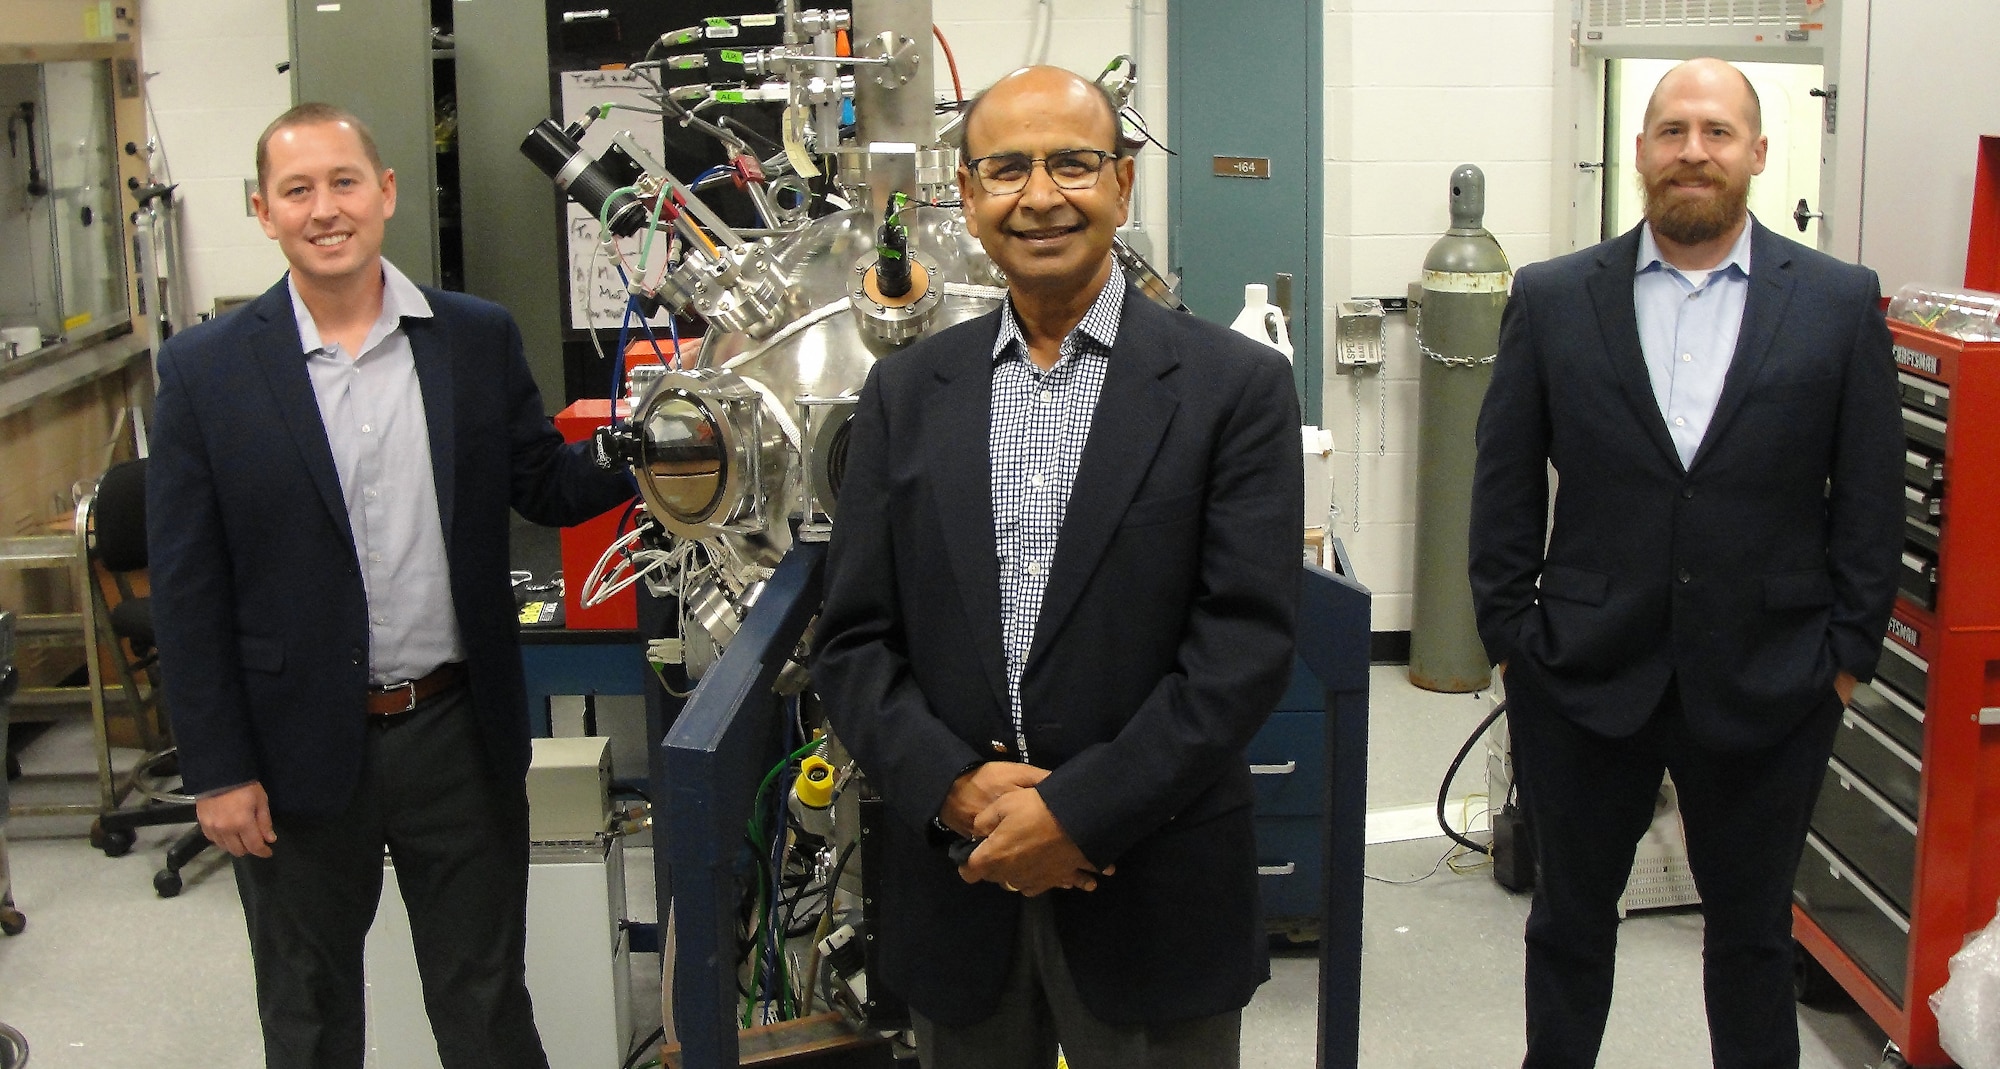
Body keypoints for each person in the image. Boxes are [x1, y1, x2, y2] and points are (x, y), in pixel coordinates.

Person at [812, 66, 1303, 1068]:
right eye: (1006, 169)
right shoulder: (906, 395)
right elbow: (854, 641)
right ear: (966, 195)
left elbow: (1241, 648)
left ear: (1121, 185)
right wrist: (954, 788)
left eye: (1072, 163)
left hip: (1153, 881)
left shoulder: (1232, 389)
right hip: (962, 881)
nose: (1040, 196)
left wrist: (1075, 813)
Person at [146, 102, 633, 1069]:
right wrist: (216, 767)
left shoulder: (472, 338)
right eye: (298, 190)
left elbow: (543, 481)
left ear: (387, 193)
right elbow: (187, 589)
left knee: (485, 1002)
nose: (325, 208)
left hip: (454, 732)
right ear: (262, 210)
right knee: (309, 1012)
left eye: (343, 182)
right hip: (287, 753)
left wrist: (662, 439)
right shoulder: (206, 372)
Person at [1469, 58, 1904, 1069]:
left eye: (1715, 132)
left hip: (1770, 681)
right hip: (1580, 677)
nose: (1691, 152)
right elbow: (1499, 489)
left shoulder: (1837, 304)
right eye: (1670, 131)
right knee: (1567, 928)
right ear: (1638, 154)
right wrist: (1511, 645)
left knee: (1750, 937)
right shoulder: (1552, 297)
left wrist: (1843, 658)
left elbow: (1869, 500)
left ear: (1756, 153)